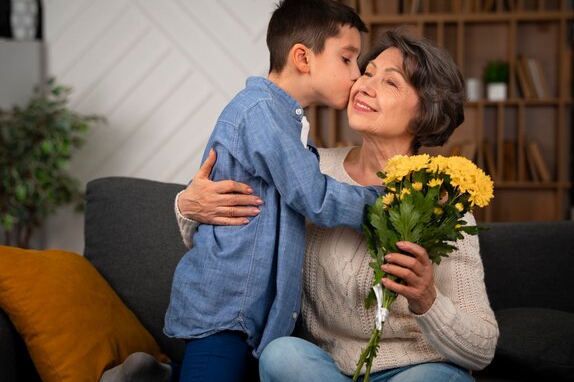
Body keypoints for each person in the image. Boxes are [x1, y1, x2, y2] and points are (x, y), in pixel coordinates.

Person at [176, 29, 499, 382]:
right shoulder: (309, 169)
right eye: (367, 71)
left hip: (417, 369)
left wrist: (427, 299)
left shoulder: (440, 201)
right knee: (281, 354)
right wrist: (186, 205)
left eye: (390, 83)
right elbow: (242, 240)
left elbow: (482, 349)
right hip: (326, 371)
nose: (364, 85)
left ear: (426, 112)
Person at [163, 0, 384, 382]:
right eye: (347, 58)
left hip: (255, 314)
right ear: (303, 58)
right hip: (224, 306)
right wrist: (387, 202)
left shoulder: (284, 119)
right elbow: (313, 197)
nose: (356, 74)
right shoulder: (260, 112)